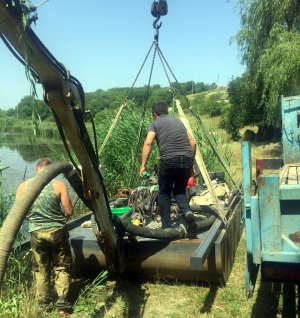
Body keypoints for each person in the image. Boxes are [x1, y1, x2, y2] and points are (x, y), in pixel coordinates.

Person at [16, 158, 73, 317]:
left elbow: (19, 213)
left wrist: (33, 219)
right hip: (57, 232)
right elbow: (69, 212)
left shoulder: (23, 187)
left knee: (41, 270)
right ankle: (62, 306)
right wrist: (59, 216)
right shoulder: (59, 185)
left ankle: (45, 306)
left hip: (36, 234)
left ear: (36, 170)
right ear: (52, 171)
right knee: (61, 267)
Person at [139, 102, 197, 233]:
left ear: (154, 114)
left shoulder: (154, 124)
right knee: (180, 191)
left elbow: (148, 142)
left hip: (169, 161)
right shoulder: (178, 122)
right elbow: (193, 143)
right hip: (186, 160)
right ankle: (187, 212)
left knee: (164, 192)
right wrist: (191, 164)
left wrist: (143, 166)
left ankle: (166, 228)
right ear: (166, 111)